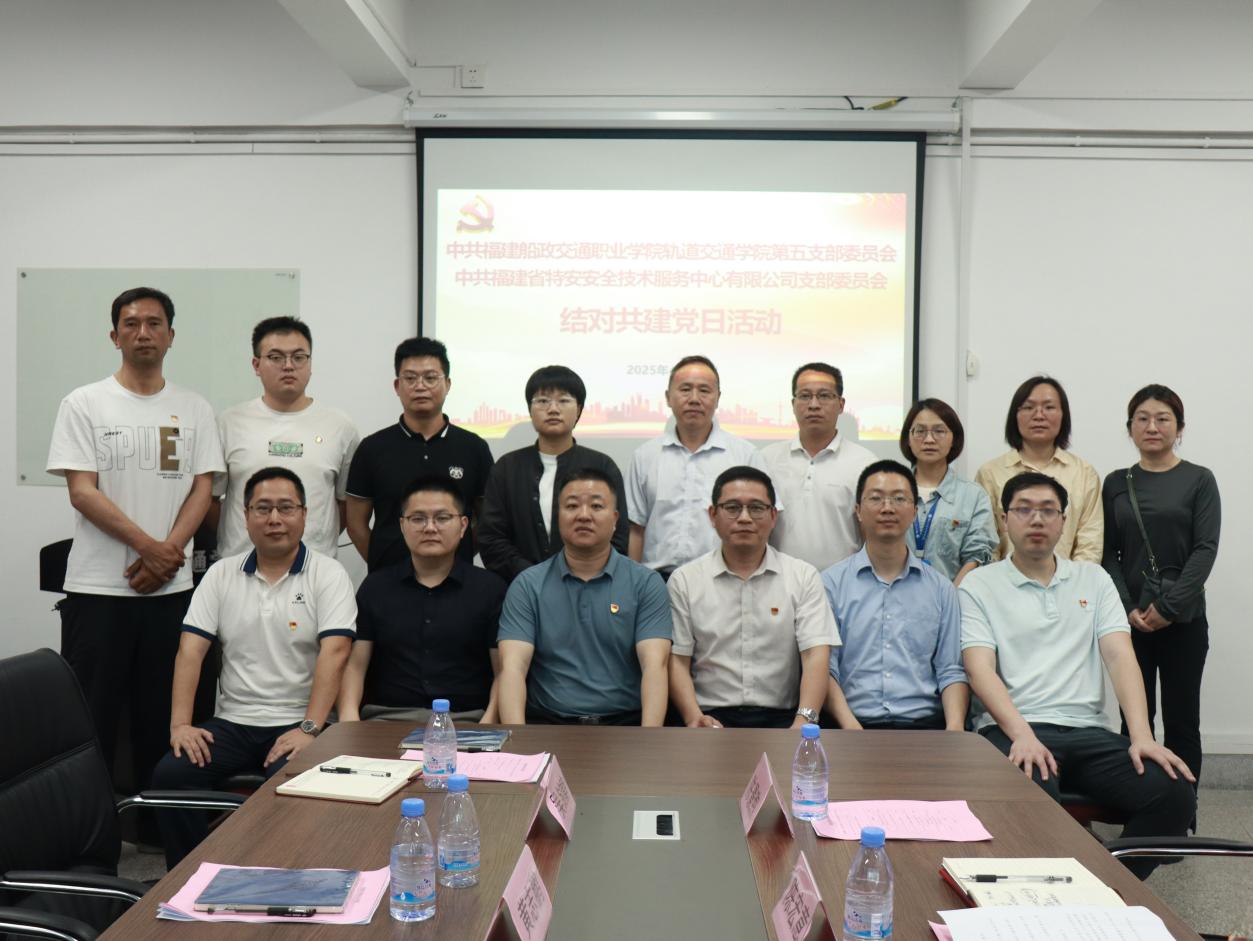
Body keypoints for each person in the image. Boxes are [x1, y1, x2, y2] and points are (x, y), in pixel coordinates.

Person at [959, 471, 1196, 878]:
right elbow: (979, 670)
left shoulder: (1094, 578)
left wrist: (1142, 737)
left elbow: (1120, 657)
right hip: (1014, 730)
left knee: (1173, 792)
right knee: (1032, 791)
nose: (1037, 519)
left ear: (1063, 521)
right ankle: (1047, 897)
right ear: (1004, 519)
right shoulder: (979, 585)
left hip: (1089, 733)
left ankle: (1108, 889)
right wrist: (1023, 735)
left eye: (1048, 510)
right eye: (1024, 510)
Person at [46, 286, 224, 800]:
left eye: (153, 323)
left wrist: (168, 554)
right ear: (114, 336)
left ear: (170, 335)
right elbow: (82, 492)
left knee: (163, 718)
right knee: (93, 719)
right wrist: (154, 548)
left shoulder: (194, 407)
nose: (143, 333)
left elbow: (203, 489)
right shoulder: (84, 402)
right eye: (131, 324)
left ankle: (155, 826)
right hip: (98, 590)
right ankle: (94, 830)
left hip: (171, 593)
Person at [150, 467, 355, 867]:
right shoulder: (221, 574)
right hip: (232, 722)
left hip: (299, 721)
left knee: (295, 780)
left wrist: (310, 728)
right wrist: (180, 725)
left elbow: (336, 652)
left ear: (304, 514)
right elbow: (189, 652)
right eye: (263, 508)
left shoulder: (328, 574)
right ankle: (191, 877)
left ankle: (285, 878)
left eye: (285, 508)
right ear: (245, 517)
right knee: (171, 777)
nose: (274, 519)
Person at [1101, 384, 1220, 787]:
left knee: (1182, 721)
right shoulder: (1116, 482)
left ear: (1179, 428)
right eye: (1143, 419)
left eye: (1163, 419)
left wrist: (1168, 608)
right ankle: (1137, 803)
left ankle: (1184, 810)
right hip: (1130, 623)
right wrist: (1127, 606)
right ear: (1130, 428)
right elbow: (1108, 553)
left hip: (1184, 622)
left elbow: (1205, 550)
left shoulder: (1199, 479)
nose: (1152, 427)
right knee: (1134, 721)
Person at [497, 468, 673, 725]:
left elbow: (655, 666)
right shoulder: (528, 585)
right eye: (571, 506)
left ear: (615, 519)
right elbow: (512, 668)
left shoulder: (646, 583)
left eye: (596, 506)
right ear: (558, 516)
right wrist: (520, 741)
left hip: (625, 725)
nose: (583, 515)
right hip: (549, 723)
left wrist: (648, 739)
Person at [668, 466, 837, 729]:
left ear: (773, 515)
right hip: (710, 717)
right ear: (713, 515)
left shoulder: (803, 576)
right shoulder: (685, 580)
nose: (745, 518)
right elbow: (678, 660)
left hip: (785, 718)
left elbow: (815, 656)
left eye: (756, 508)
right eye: (732, 507)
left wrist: (804, 720)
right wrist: (693, 717)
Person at [338, 475, 507, 724]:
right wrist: (349, 722)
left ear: (463, 526)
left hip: (466, 722)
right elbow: (354, 666)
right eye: (418, 518)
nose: (430, 528)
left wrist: (487, 726)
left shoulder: (490, 589)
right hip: (385, 721)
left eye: (442, 518)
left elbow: (503, 671)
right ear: (402, 525)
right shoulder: (375, 588)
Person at [823, 460, 969, 731]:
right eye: (876, 498)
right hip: (849, 725)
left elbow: (951, 670)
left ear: (914, 511)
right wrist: (851, 729)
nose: (887, 508)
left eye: (899, 499)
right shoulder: (830, 584)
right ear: (858, 510)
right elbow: (825, 669)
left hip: (924, 727)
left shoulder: (941, 589)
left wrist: (955, 730)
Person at [211, 316, 359, 558]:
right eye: (276, 357)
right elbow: (211, 501)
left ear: (310, 364)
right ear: (256, 365)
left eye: (299, 357)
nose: (288, 366)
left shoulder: (340, 427)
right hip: (241, 565)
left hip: (315, 567)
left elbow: (346, 505)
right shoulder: (228, 423)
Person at [345, 337, 493, 571]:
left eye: (430, 378)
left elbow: (487, 519)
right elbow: (355, 524)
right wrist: (382, 565)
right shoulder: (372, 448)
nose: (420, 386)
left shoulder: (474, 448)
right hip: (389, 580)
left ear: (448, 384)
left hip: (457, 580)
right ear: (397, 386)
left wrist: (457, 558)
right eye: (411, 378)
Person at [479, 365, 628, 582]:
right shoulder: (507, 468)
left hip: (590, 586)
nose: (553, 409)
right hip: (521, 588)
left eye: (564, 400)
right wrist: (533, 578)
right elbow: (491, 538)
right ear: (530, 410)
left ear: (579, 409)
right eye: (542, 401)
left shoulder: (602, 466)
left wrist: (576, 577)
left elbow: (618, 536)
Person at [627, 355, 766, 578]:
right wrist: (632, 584)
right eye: (685, 389)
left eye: (704, 390)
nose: (694, 399)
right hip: (656, 580)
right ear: (668, 397)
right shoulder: (645, 456)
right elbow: (636, 528)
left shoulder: (744, 455)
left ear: (718, 398)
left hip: (722, 578)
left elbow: (761, 525)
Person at [975, 375, 1103, 562]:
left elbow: (1090, 544)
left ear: (1063, 415)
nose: (1039, 415)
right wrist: (997, 579)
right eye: (1028, 407)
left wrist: (1073, 579)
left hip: (1070, 579)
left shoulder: (1084, 473)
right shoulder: (990, 473)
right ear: (1015, 416)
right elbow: (986, 543)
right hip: (1003, 578)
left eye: (1049, 407)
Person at [764, 363, 875, 570]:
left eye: (824, 396)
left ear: (841, 404)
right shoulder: (767, 459)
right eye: (805, 396)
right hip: (778, 581)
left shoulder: (865, 463)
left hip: (843, 583)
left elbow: (872, 534)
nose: (814, 405)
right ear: (793, 404)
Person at [900, 398, 997, 583]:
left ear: (954, 439)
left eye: (939, 431)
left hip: (955, 594)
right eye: (920, 431)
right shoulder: (892, 492)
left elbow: (977, 555)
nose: (929, 439)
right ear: (908, 438)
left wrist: (951, 594)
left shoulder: (973, 496)